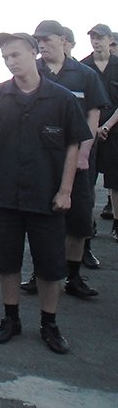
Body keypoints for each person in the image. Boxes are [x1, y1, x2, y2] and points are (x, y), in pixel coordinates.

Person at [0, 32, 90, 354]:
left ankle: (50, 323)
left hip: (47, 199)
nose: (10, 62)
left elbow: (73, 145)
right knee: (6, 261)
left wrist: (65, 191)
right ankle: (10, 318)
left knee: (50, 266)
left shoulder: (62, 99)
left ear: (34, 53)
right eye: (5, 57)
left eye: (16, 55)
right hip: (4, 197)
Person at [23, 20, 108, 299]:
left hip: (79, 160)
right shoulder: (33, 71)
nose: (42, 45)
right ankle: (40, 273)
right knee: (41, 219)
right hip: (41, 160)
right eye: (38, 41)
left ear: (62, 39)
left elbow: (93, 113)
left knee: (79, 220)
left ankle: (73, 277)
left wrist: (84, 152)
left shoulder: (84, 75)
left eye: (47, 39)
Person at [81, 24, 118, 247]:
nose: (96, 41)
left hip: (115, 132)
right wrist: (95, 127)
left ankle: (117, 225)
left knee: (116, 181)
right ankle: (90, 224)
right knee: (88, 181)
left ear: (110, 40)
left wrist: (107, 126)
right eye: (93, 37)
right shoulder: (83, 67)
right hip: (90, 133)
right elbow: (81, 103)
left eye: (100, 37)